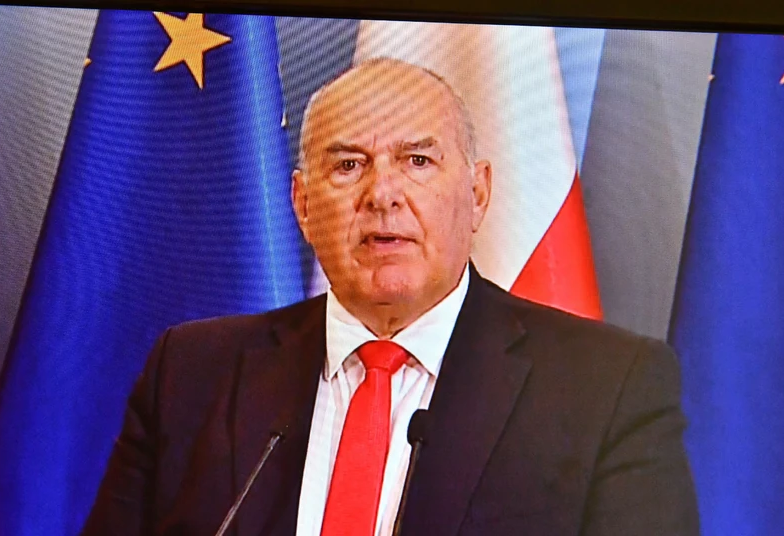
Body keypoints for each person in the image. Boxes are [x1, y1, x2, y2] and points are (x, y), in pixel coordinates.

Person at [82, 58, 699, 535]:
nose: (382, 194)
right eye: (348, 165)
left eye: (418, 161)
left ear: (478, 195)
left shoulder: (605, 387)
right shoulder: (193, 372)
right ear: (302, 205)